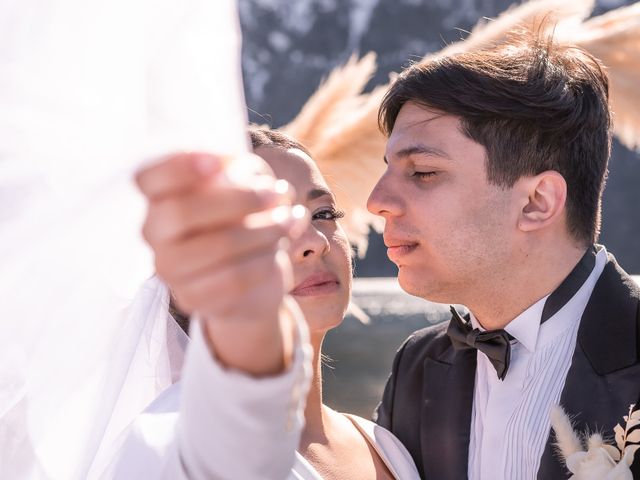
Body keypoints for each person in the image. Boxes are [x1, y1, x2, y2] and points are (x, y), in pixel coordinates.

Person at [367, 30, 640, 479]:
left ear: (537, 202)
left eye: (423, 172)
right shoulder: (418, 367)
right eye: (387, 170)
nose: (377, 201)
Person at [114, 128, 420, 479]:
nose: (314, 242)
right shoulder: (176, 441)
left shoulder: (382, 444)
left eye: (323, 213)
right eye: (269, 225)